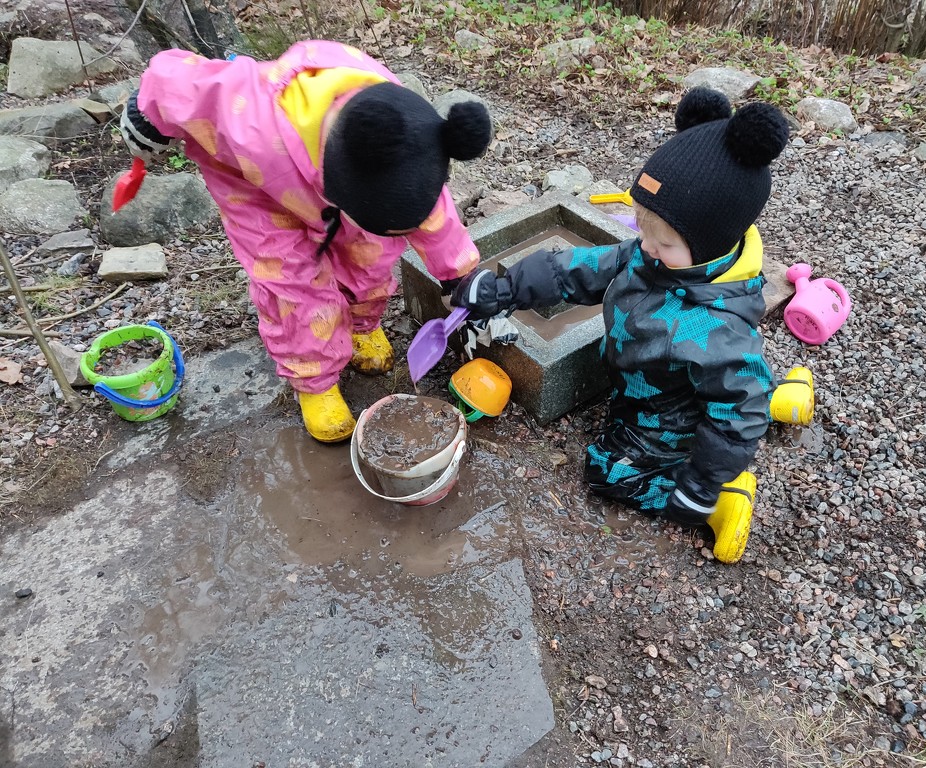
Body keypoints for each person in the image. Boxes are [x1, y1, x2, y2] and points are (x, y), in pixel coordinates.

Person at [451, 87, 797, 563]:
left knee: (606, 472)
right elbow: (572, 268)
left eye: (665, 242)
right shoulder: (652, 258)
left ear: (712, 243)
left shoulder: (719, 331)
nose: (647, 247)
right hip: (659, 383)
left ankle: (726, 502)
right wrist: (499, 290)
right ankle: (780, 395)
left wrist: (699, 488)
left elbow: (738, 415)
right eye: (641, 227)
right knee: (739, 387)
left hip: (664, 423)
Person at [118, 41, 492, 442]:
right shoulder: (250, 117)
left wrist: (461, 278)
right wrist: (147, 116)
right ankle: (315, 382)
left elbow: (436, 219)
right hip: (257, 185)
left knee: (372, 255)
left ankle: (362, 325)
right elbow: (179, 79)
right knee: (293, 284)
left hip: (359, 184)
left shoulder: (416, 147)